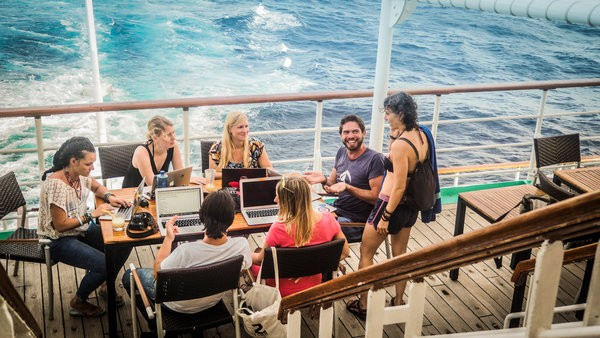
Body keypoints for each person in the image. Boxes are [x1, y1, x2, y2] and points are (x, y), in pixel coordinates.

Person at [346, 92, 436, 319]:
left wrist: (385, 216)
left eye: (388, 114)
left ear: (401, 114)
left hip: (390, 205)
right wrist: (393, 138)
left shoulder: (401, 146)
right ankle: (398, 300)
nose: (386, 118)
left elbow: (397, 186)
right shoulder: (421, 134)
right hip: (410, 208)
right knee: (399, 256)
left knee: (366, 253)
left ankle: (364, 304)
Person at [122, 190, 252, 326]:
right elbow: (245, 266)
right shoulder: (241, 246)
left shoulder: (186, 251)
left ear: (201, 217)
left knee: (128, 275)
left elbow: (157, 274)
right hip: (211, 302)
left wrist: (168, 238)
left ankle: (155, 324)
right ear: (231, 218)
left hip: (176, 307)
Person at [38, 136, 132, 317]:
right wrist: (92, 215)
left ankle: (106, 285)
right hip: (57, 240)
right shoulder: (57, 185)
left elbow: (97, 187)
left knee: (123, 241)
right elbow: (60, 226)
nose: (92, 168)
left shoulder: (79, 175)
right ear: (74, 161)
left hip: (80, 229)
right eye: (89, 164)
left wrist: (110, 197)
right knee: (104, 264)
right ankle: (79, 301)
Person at [252, 174, 350, 297]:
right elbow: (345, 252)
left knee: (251, 261)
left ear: (287, 201)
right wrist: (309, 267)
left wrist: (245, 254)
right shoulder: (329, 219)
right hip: (314, 283)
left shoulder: (279, 228)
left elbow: (260, 260)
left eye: (278, 196)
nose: (275, 200)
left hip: (280, 289)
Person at [304, 114, 385, 242]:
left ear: (364, 133)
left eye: (355, 131)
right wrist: (324, 180)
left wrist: (348, 187)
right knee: (299, 217)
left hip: (356, 221)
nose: (351, 136)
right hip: (337, 210)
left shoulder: (375, 159)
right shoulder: (341, 152)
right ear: (341, 135)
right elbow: (333, 186)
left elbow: (377, 198)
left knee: (311, 228)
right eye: (346, 132)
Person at [122, 115, 204, 188]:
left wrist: (188, 179)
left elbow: (180, 176)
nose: (173, 138)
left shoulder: (173, 145)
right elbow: (152, 184)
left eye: (173, 133)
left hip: (156, 194)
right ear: (155, 137)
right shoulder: (141, 152)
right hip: (131, 196)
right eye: (169, 135)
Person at [209, 111, 272, 179]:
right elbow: (211, 174)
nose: (245, 130)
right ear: (229, 129)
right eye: (240, 127)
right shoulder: (216, 148)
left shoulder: (256, 145)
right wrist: (238, 175)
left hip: (250, 187)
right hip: (227, 188)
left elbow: (269, 169)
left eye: (246, 126)